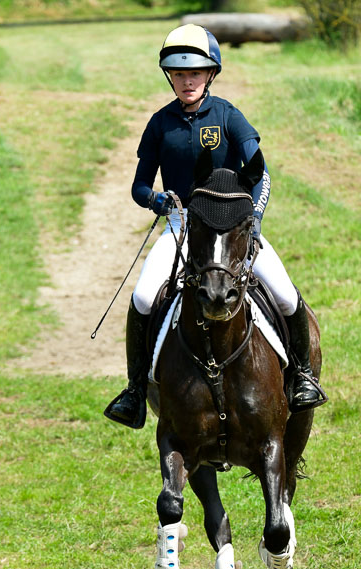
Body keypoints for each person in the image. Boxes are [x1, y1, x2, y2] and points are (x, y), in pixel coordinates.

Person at [104, 23, 322, 429]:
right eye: (179, 74)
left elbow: (260, 173)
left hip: (232, 226)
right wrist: (156, 200)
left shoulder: (228, 116)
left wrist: (253, 219)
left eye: (195, 73)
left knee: (285, 295)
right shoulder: (159, 124)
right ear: (170, 77)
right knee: (144, 297)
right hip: (182, 225)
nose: (187, 81)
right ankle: (135, 391)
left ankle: (303, 376)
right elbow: (139, 186)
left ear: (210, 75)